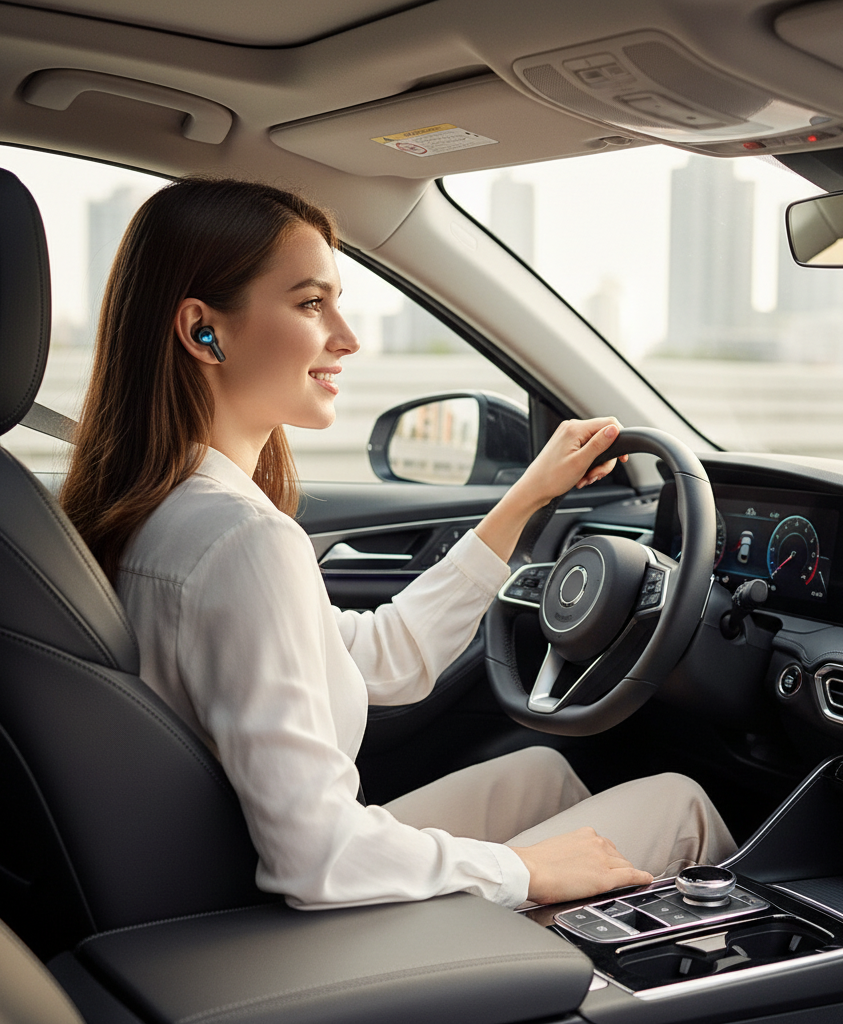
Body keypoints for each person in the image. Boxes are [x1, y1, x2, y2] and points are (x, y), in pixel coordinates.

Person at [60, 177, 735, 911]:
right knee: (680, 803)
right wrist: (527, 874)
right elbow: (315, 858)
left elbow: (383, 658)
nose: (347, 338)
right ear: (203, 331)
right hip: (272, 922)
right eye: (311, 303)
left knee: (542, 774)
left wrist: (526, 499)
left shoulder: (156, 511)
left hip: (220, 874)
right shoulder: (243, 540)